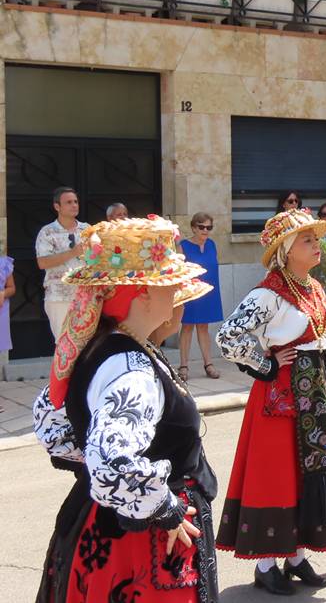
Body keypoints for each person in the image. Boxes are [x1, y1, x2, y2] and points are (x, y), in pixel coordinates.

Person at [33, 216, 218, 602]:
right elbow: (111, 461)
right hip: (141, 548)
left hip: (104, 524)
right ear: (142, 293)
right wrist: (164, 507)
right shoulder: (129, 368)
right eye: (169, 284)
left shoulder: (112, 346)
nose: (177, 292)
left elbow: (55, 427)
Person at [215, 208, 326, 594]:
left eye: (316, 238)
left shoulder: (311, 286)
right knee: (277, 472)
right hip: (283, 394)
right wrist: (265, 364)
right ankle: (266, 565)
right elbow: (228, 337)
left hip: (316, 392)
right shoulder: (268, 295)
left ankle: (295, 557)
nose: (317, 245)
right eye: (307, 240)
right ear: (285, 250)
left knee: (305, 471)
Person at [36, 187, 91, 341]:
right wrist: (72, 253)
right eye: (68, 202)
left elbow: (98, 258)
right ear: (57, 207)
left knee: (88, 342)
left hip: (86, 296)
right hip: (59, 297)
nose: (74, 205)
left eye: (75, 201)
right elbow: (43, 262)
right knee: (64, 343)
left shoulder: (87, 229)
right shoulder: (47, 232)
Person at [178, 212, 224, 381]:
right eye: (201, 227)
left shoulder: (212, 244)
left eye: (209, 227)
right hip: (191, 291)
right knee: (188, 326)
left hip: (208, 291)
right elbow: (179, 270)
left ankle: (208, 364)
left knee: (204, 326)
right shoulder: (183, 246)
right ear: (193, 227)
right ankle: (183, 366)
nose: (205, 230)